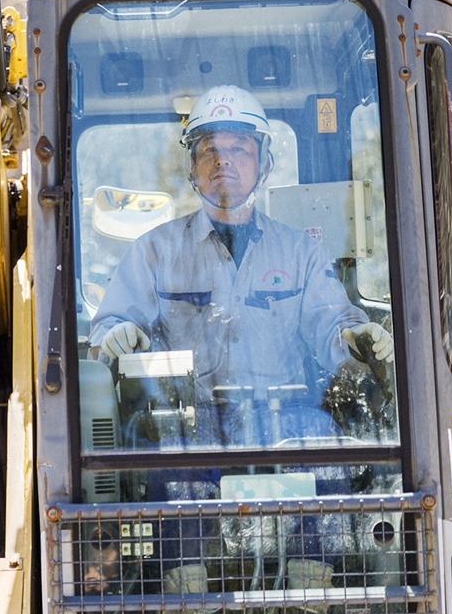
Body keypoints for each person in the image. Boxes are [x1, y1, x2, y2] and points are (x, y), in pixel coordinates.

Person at [87, 85, 393, 604]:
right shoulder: (155, 253)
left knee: (321, 440)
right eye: (208, 151)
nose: (222, 162)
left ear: (265, 164)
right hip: (194, 417)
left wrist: (354, 334)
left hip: (285, 416)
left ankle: (310, 594)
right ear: (191, 168)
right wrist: (114, 335)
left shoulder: (299, 251)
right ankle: (190, 599)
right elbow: (111, 325)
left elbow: (330, 321)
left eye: (238, 150)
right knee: (169, 453)